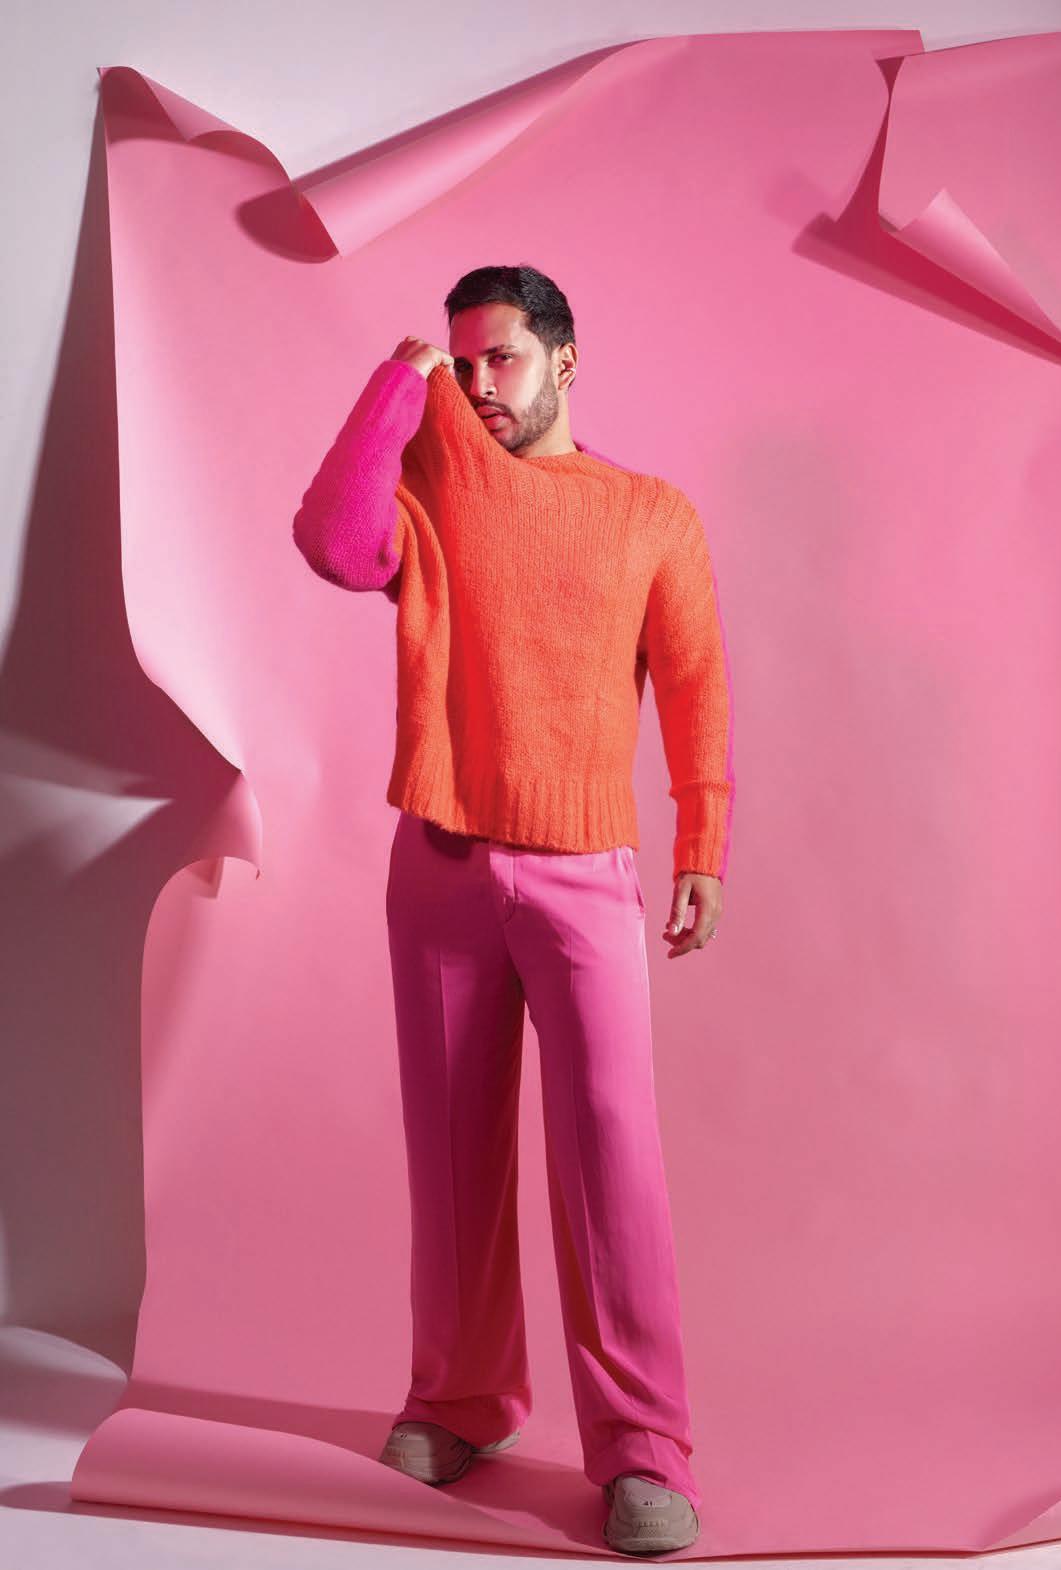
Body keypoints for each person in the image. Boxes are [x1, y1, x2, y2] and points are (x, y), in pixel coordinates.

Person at [292, 264, 735, 1554]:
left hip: (584, 869)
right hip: (439, 865)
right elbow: (332, 543)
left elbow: (695, 680)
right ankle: (460, 1402)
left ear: (564, 361)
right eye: (463, 360)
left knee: (612, 1163)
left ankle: (644, 1447)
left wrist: (702, 835)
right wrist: (401, 381)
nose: (480, 383)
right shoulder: (432, 483)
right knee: (452, 1158)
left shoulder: (649, 512)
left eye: (503, 358)